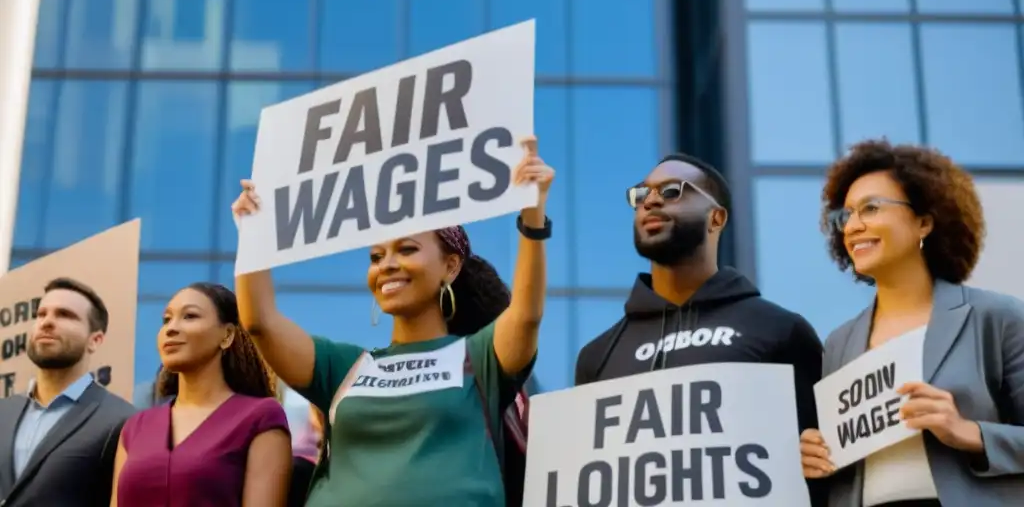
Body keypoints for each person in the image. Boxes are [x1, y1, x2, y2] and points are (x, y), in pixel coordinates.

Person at [233, 136, 553, 507]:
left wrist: (533, 212)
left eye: (407, 249)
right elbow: (259, 322)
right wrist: (252, 235)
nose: (386, 264)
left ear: (450, 267)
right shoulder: (344, 367)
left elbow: (527, 315)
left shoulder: (479, 359)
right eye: (375, 256)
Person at [574, 153, 826, 504]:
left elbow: (827, 461)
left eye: (673, 191)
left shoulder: (781, 331)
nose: (651, 200)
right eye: (641, 194)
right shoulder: (597, 355)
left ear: (716, 218)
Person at [799, 140, 1024, 507]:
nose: (853, 226)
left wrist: (969, 433)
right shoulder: (839, 342)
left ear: (924, 222)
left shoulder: (996, 319)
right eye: (847, 214)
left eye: (871, 208)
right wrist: (816, 457)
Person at [110, 283, 292, 507]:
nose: (171, 328)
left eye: (190, 316)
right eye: (166, 319)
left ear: (226, 335)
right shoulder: (135, 427)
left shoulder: (261, 417)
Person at [0, 278, 134, 507]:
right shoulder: (3, 410)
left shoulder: (123, 421)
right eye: (41, 314)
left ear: (95, 340)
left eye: (65, 315)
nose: (47, 322)